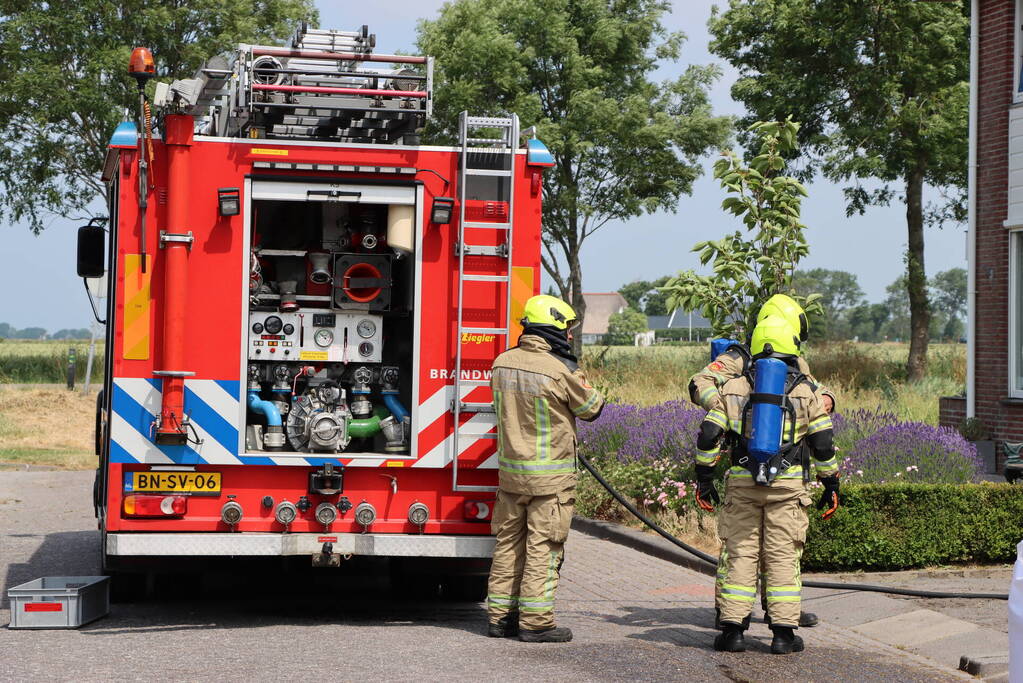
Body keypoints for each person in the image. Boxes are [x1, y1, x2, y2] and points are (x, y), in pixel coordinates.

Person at [694, 314, 840, 654]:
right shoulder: (806, 391)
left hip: (744, 484)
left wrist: (704, 478)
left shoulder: (733, 388)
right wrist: (831, 484)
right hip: (788, 489)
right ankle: (783, 636)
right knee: (783, 558)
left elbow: (709, 434)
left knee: (740, 555)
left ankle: (732, 633)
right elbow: (823, 444)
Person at [486, 294, 605, 643]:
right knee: (543, 547)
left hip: (510, 475)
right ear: (552, 328)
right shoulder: (558, 370)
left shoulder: (501, 362)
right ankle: (535, 622)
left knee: (508, 544)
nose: (569, 336)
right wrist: (573, 369)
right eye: (566, 330)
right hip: (549, 480)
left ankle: (499, 618)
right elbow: (593, 408)